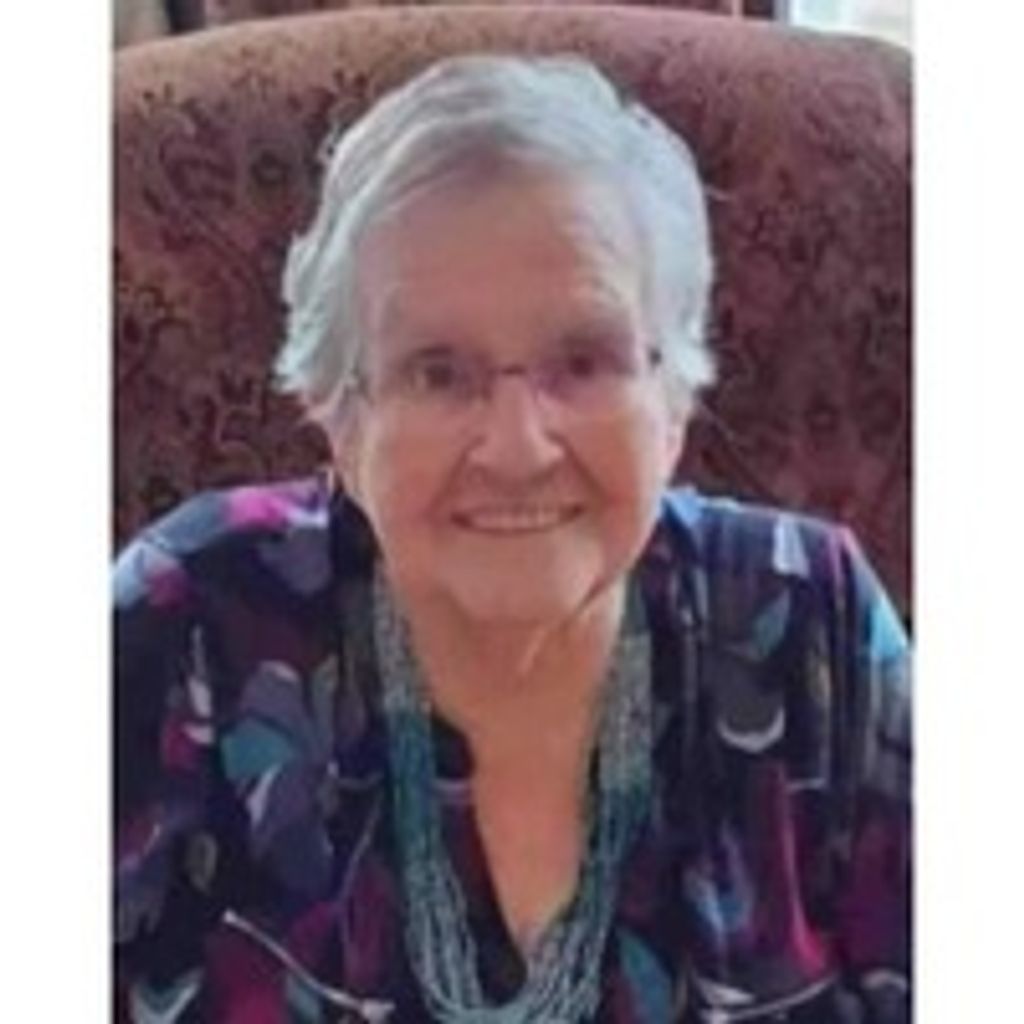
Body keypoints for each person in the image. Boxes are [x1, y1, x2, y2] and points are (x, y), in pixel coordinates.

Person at [114, 54, 911, 1023]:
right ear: (339, 416)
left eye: (584, 360)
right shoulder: (193, 621)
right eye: (437, 372)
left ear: (674, 401)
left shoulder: (811, 624)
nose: (518, 448)